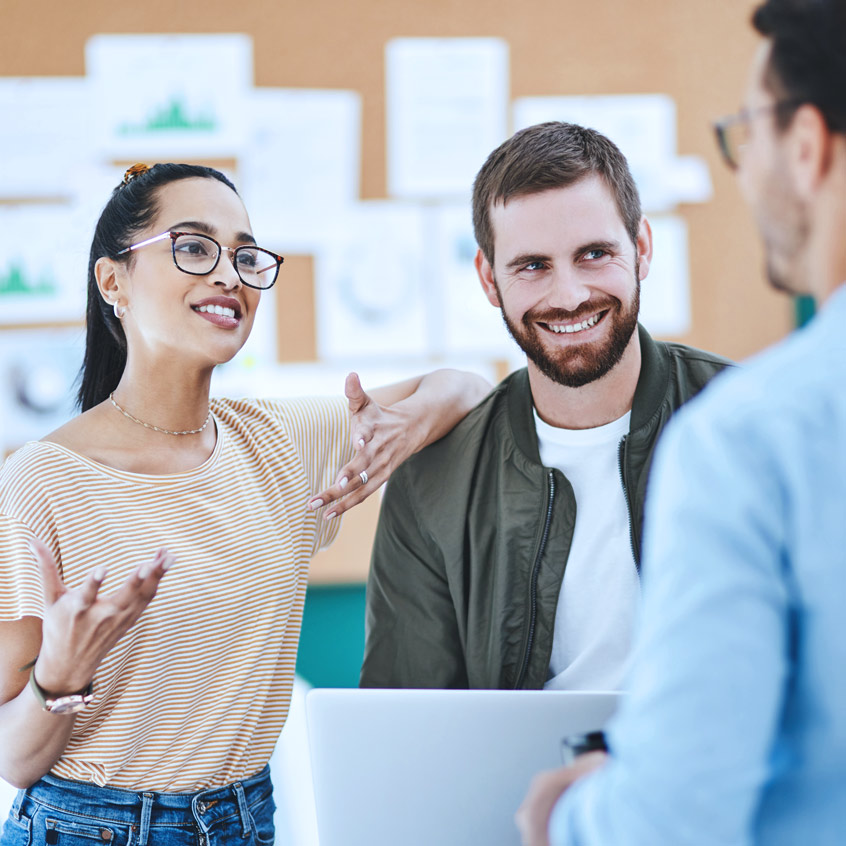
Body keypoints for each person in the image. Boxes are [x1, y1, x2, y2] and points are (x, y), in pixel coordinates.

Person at [0, 162, 489, 845]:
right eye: (194, 247)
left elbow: (467, 388)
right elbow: (14, 758)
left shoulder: (282, 442)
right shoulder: (43, 481)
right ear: (113, 280)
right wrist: (61, 674)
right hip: (89, 827)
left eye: (245, 255)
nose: (229, 274)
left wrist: (402, 430)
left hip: (243, 824)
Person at [516, 0, 846, 843]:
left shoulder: (750, 436)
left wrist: (573, 813)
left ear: (806, 147)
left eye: (747, 135)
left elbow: (673, 817)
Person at [360, 121, 731, 691]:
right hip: (520, 781)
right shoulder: (434, 478)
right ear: (489, 279)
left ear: (643, 248)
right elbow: (406, 718)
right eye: (532, 265)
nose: (569, 296)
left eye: (594, 254)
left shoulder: (750, 426)